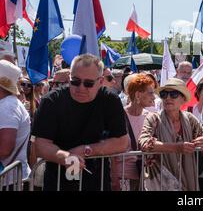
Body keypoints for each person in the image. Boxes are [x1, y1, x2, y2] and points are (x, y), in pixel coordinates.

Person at [32, 54, 128, 191]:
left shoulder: (110, 100)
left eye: (88, 83)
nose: (81, 88)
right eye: (75, 81)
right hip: (58, 182)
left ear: (100, 82)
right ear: (69, 78)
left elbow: (122, 142)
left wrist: (86, 150)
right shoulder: (51, 101)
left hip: (97, 182)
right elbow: (40, 145)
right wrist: (65, 157)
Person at [138, 78, 203, 191]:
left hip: (186, 177)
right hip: (160, 179)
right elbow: (144, 142)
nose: (168, 98)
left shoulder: (189, 119)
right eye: (164, 94)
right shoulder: (153, 118)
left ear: (183, 99)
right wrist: (177, 147)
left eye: (173, 94)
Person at [111, 74, 155, 191]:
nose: (154, 97)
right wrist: (114, 179)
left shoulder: (151, 117)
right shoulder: (118, 116)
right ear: (138, 95)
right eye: (150, 93)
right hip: (122, 179)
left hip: (145, 178)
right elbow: (111, 152)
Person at [0, 60, 31, 188]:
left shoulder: (7, 107)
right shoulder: (10, 104)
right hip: (12, 178)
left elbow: (5, 149)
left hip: (8, 181)